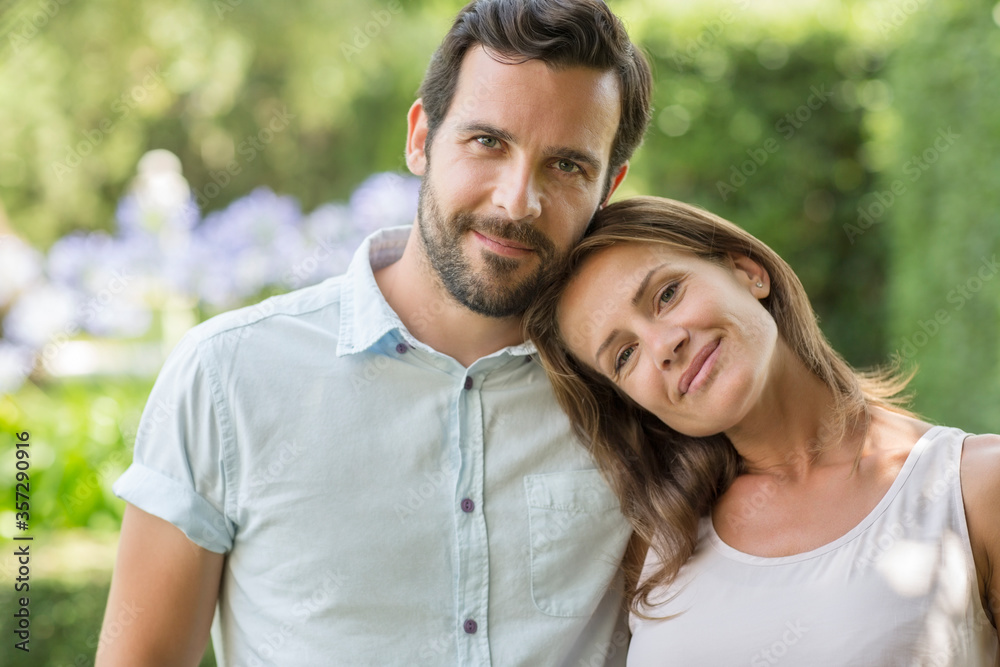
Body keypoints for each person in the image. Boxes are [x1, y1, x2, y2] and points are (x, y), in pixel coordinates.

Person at [97, 1, 652, 665]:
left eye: (567, 165)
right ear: (421, 137)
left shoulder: (638, 389)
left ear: (608, 188)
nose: (515, 200)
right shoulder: (226, 376)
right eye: (488, 142)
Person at [525, 196, 1000, 665]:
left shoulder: (975, 488)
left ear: (747, 270)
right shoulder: (655, 541)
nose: (664, 345)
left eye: (667, 294)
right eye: (624, 356)